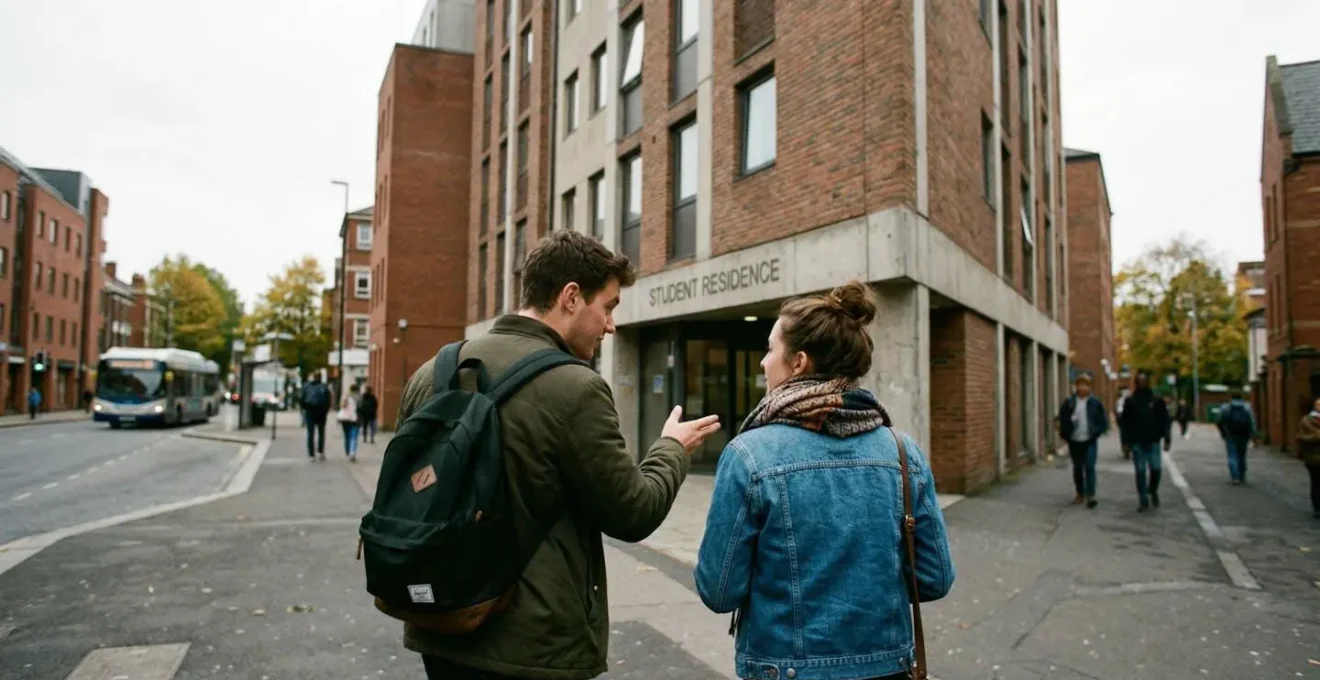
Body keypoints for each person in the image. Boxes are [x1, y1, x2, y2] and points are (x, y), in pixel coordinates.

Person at [395, 230, 721, 679]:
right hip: (534, 644)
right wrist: (671, 448)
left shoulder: (433, 371)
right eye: (607, 307)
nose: (610, 325)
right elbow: (632, 513)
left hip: (440, 621)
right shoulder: (576, 387)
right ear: (570, 297)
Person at [693, 281, 955, 680]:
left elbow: (719, 590)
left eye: (769, 349)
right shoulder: (904, 453)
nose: (763, 362)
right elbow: (933, 579)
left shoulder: (749, 455)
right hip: (887, 668)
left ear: (798, 362)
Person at [1119, 373, 1171, 512]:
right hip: (1137, 441)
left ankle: (1152, 490)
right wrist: (1125, 442)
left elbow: (1165, 419)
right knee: (1140, 471)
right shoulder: (1131, 401)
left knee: (1156, 469)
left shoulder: (1157, 400)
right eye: (1139, 381)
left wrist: (1167, 438)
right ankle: (1143, 499)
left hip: (1153, 440)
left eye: (1144, 381)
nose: (1142, 383)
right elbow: (1125, 422)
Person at [1057, 374, 1109, 508]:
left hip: (1090, 439)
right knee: (1078, 468)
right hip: (1074, 440)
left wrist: (1097, 432)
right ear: (1076, 386)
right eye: (1080, 384)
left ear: (1090, 387)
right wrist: (1065, 433)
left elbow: (1102, 420)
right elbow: (1062, 419)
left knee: (1090, 466)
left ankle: (1091, 495)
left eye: (1085, 385)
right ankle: (1080, 493)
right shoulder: (1069, 402)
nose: (1082, 387)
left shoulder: (1095, 402)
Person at [1216, 391, 1257, 486]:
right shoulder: (1247, 407)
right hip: (1244, 435)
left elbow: (1218, 420)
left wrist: (1223, 432)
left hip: (1230, 435)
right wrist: (1253, 434)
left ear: (1231, 398)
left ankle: (1235, 477)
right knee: (1242, 455)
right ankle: (1242, 476)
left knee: (1232, 455)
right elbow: (1252, 422)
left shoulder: (1225, 407)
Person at [1296, 397, 1320, 519]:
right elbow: (1300, 437)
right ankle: (1317, 508)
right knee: (1316, 483)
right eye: (1318, 404)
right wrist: (1315, 437)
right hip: (1313, 458)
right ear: (1314, 406)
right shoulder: (1306, 420)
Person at [300, 375, 331, 461]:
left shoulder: (306, 386)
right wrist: (325, 411)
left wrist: (306, 409)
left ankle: (311, 455)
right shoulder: (324, 387)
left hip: (310, 412)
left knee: (310, 434)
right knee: (321, 433)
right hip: (321, 413)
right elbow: (328, 401)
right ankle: (320, 452)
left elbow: (301, 400)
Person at [337, 384, 360, 462]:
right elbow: (361, 408)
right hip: (354, 419)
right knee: (353, 436)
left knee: (347, 436)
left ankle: (347, 451)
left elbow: (341, 406)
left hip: (345, 419)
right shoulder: (359, 397)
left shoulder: (346, 396)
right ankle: (352, 452)